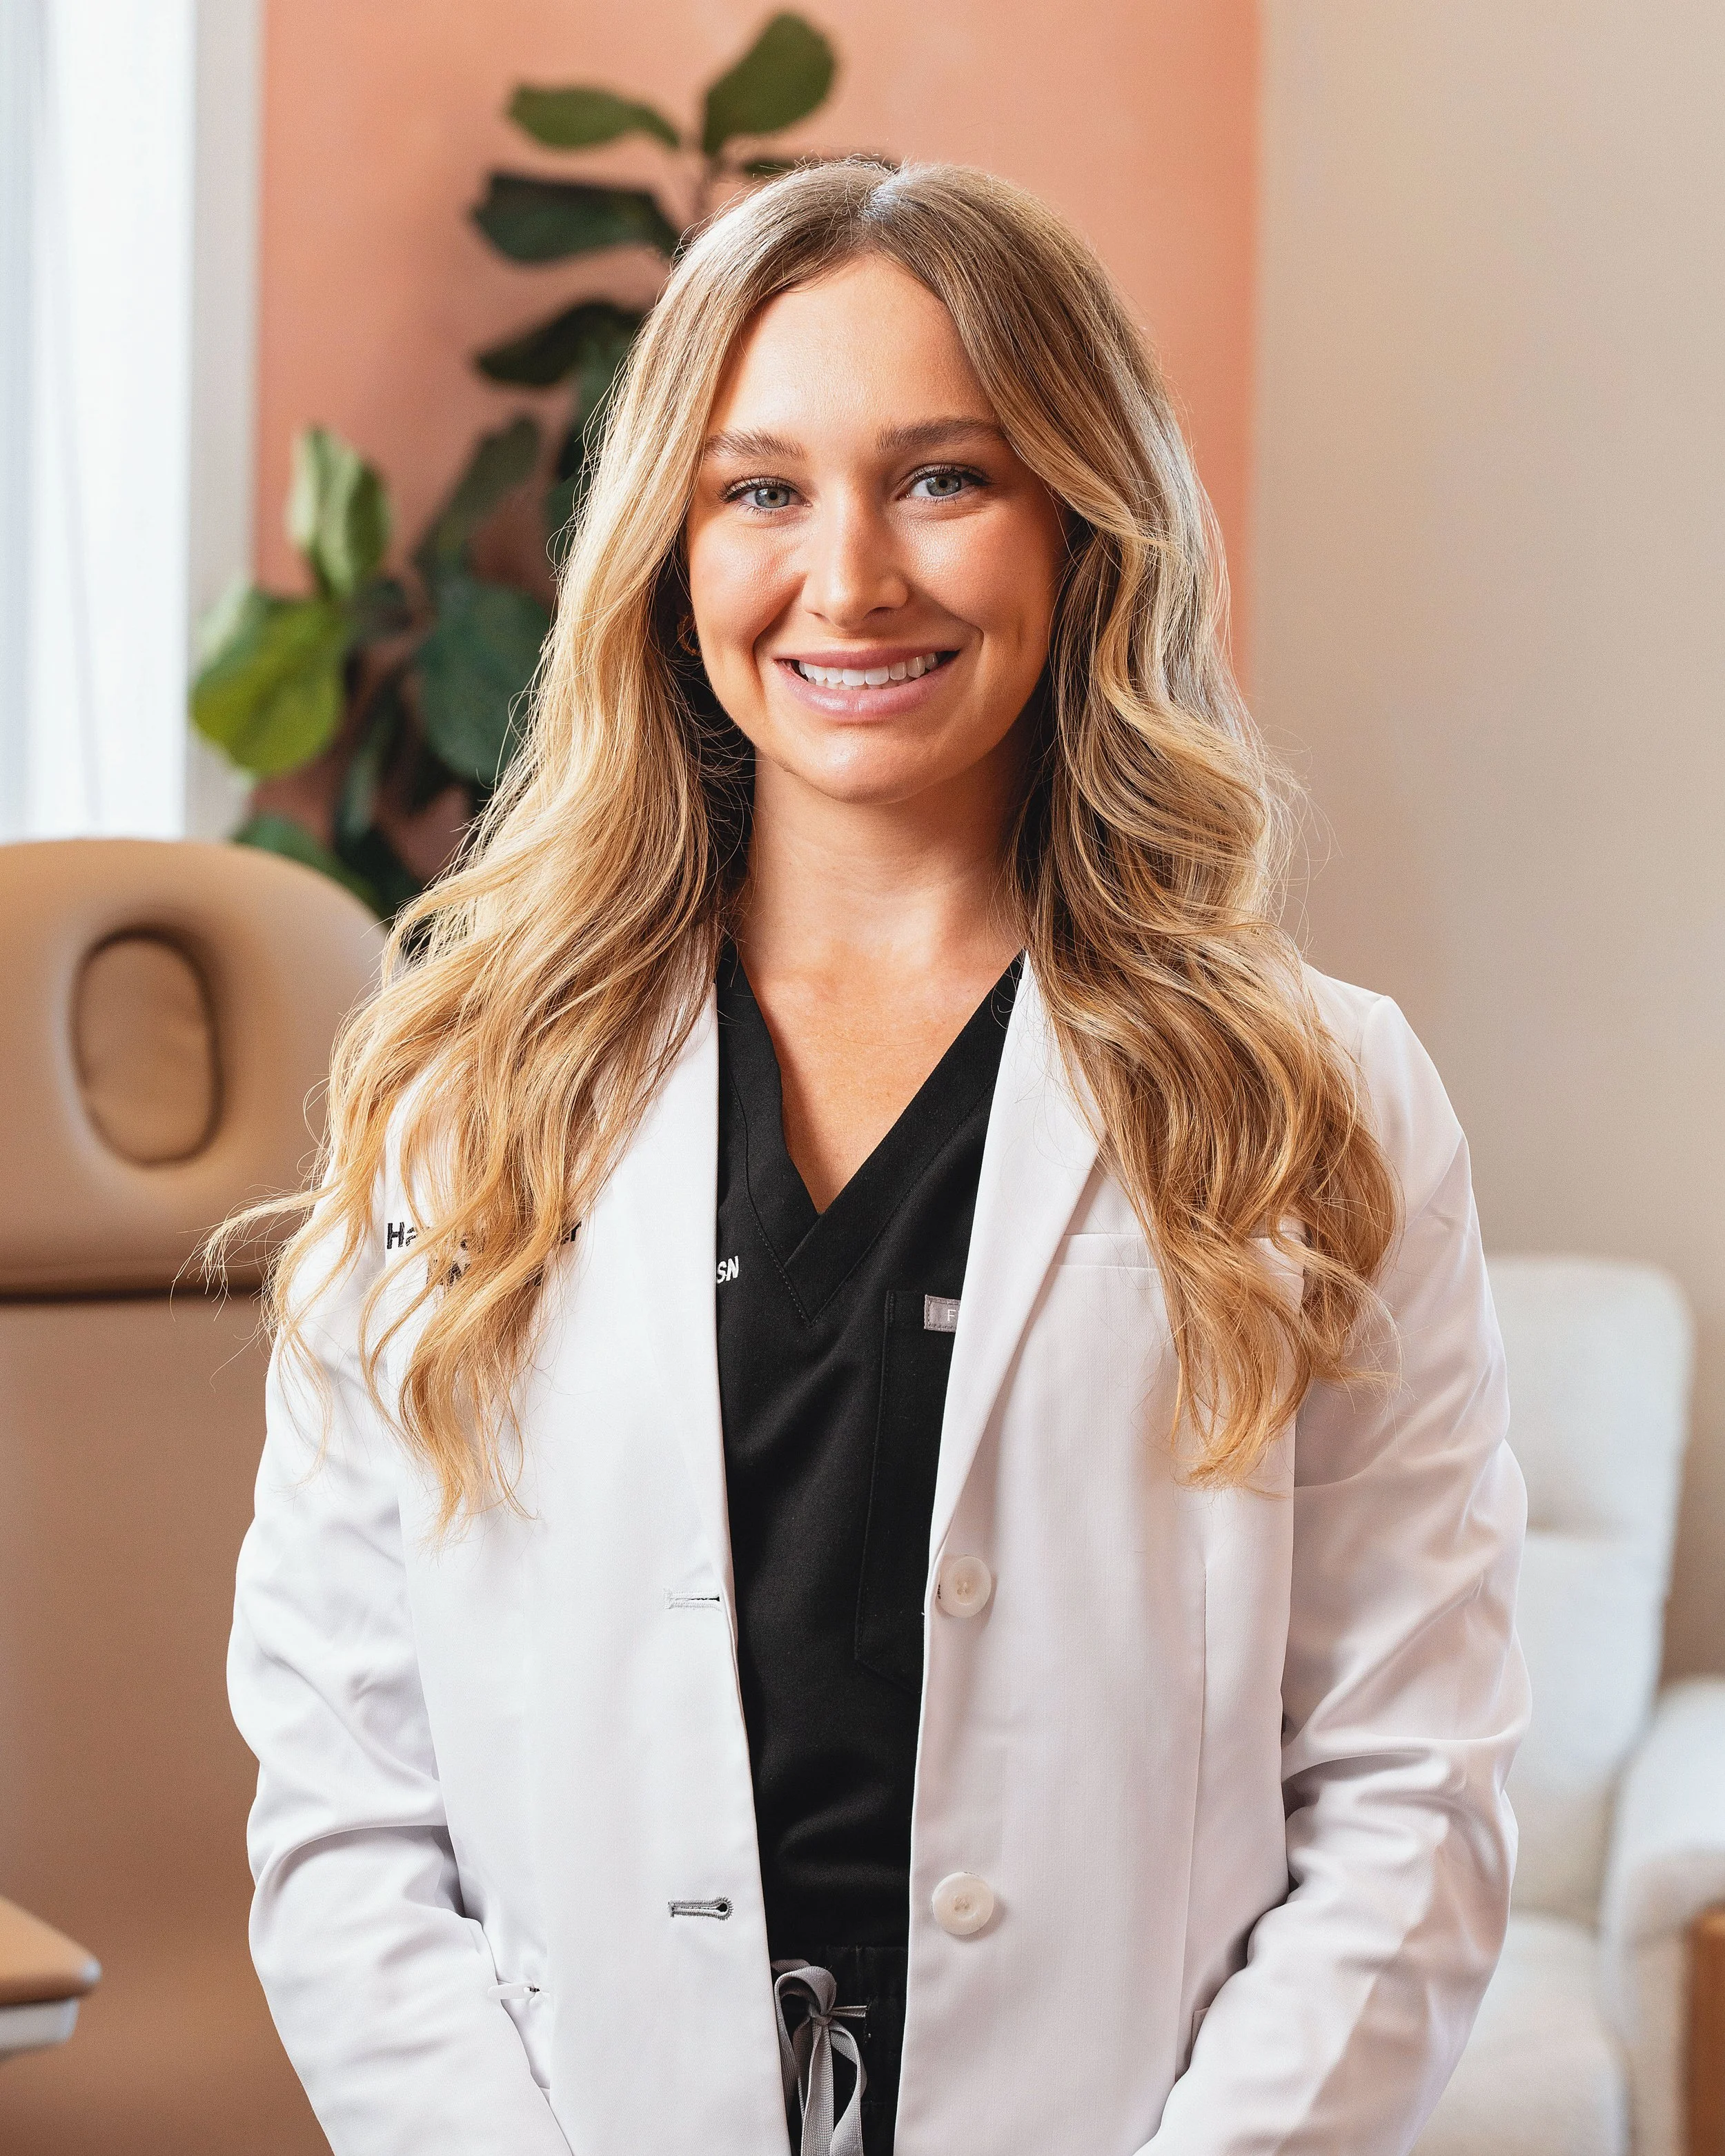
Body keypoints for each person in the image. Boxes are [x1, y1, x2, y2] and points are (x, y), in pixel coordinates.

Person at [226, 159, 1527, 2156]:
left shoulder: (1313, 1104)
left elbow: (1407, 1794)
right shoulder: (460, 1096)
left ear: (1086, 521)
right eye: (759, 488)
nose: (847, 580)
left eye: (943, 478)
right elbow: (349, 1809)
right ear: (666, 542)